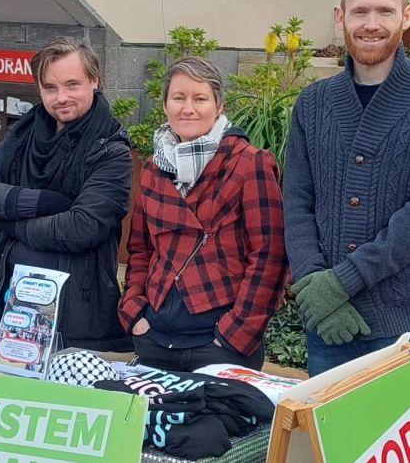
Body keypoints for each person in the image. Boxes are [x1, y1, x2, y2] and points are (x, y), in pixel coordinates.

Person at [283, 0, 410, 376]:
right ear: (340, 18)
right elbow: (296, 200)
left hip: (405, 329)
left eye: (385, 11)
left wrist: (342, 282)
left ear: (406, 16)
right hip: (327, 323)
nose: (371, 24)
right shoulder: (313, 104)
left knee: (404, 444)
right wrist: (317, 287)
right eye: (359, 12)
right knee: (333, 442)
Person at [119, 57, 287, 372]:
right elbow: (141, 250)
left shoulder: (250, 164)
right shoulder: (154, 169)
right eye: (179, 98)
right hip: (155, 339)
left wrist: (237, 333)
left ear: (218, 105)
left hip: (220, 345)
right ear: (166, 104)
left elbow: (270, 257)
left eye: (200, 99)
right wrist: (133, 312)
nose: (188, 108)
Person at [0, 36, 132, 352]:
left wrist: (12, 224)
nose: (61, 97)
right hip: (5, 309)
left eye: (72, 84)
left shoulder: (111, 151)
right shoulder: (24, 133)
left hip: (74, 321)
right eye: (50, 88)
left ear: (95, 81)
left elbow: (81, 228)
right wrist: (39, 202)